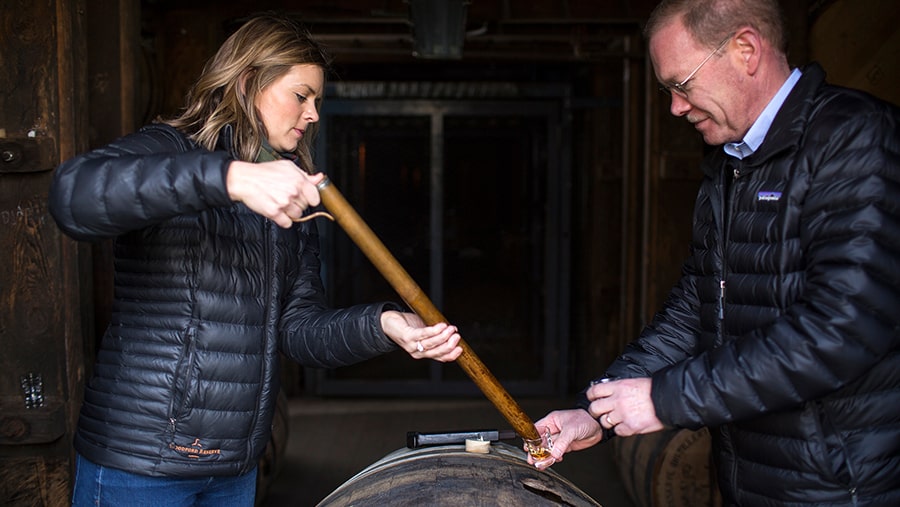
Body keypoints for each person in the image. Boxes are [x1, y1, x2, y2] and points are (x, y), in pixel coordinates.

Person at [49, 14, 463, 506]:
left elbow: (297, 331)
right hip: (142, 461)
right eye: (301, 95)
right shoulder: (172, 149)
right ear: (248, 84)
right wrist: (231, 178)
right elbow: (73, 196)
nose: (312, 115)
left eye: (317, 102)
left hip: (233, 468)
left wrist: (384, 324)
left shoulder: (289, 194)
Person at [531, 0, 900, 505]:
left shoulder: (854, 138)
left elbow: (842, 327)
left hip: (842, 488)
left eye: (681, 84)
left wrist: (666, 399)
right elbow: (694, 308)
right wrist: (595, 413)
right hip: (751, 479)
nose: (676, 107)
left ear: (746, 49)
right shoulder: (732, 163)